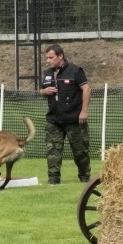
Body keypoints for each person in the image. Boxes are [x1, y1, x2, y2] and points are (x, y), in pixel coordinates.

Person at [39, 44, 91, 185]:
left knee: (80, 152)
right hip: (54, 120)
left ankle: (85, 178)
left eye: (51, 57)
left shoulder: (75, 71)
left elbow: (86, 89)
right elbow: (41, 91)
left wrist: (84, 111)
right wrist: (44, 92)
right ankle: (53, 181)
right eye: (47, 58)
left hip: (74, 119)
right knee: (53, 152)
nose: (48, 61)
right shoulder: (47, 73)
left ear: (60, 56)